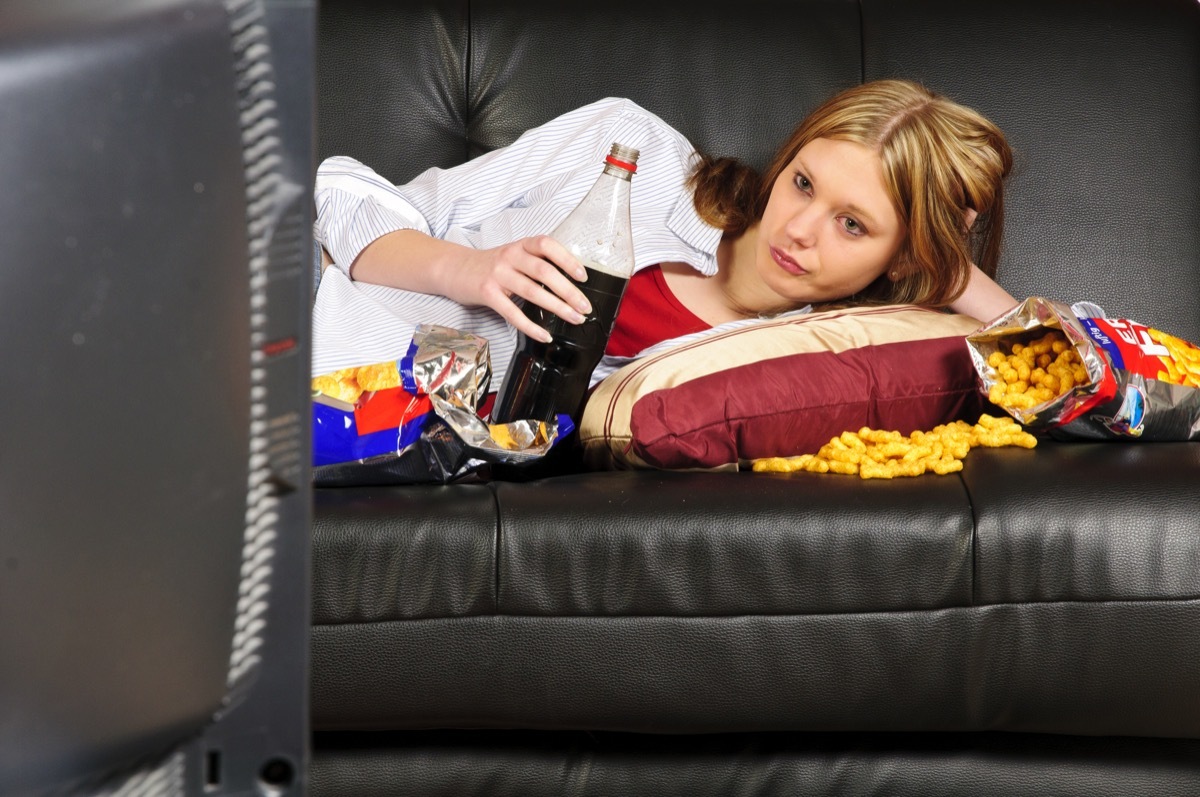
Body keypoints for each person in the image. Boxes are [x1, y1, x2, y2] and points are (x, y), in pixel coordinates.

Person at [311, 79, 1018, 388]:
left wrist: (952, 271)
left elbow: (1081, 373)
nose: (799, 229)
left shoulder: (809, 367)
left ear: (903, 256)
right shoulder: (631, 146)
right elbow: (347, 198)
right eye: (803, 182)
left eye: (852, 224)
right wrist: (470, 272)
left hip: (331, 427)